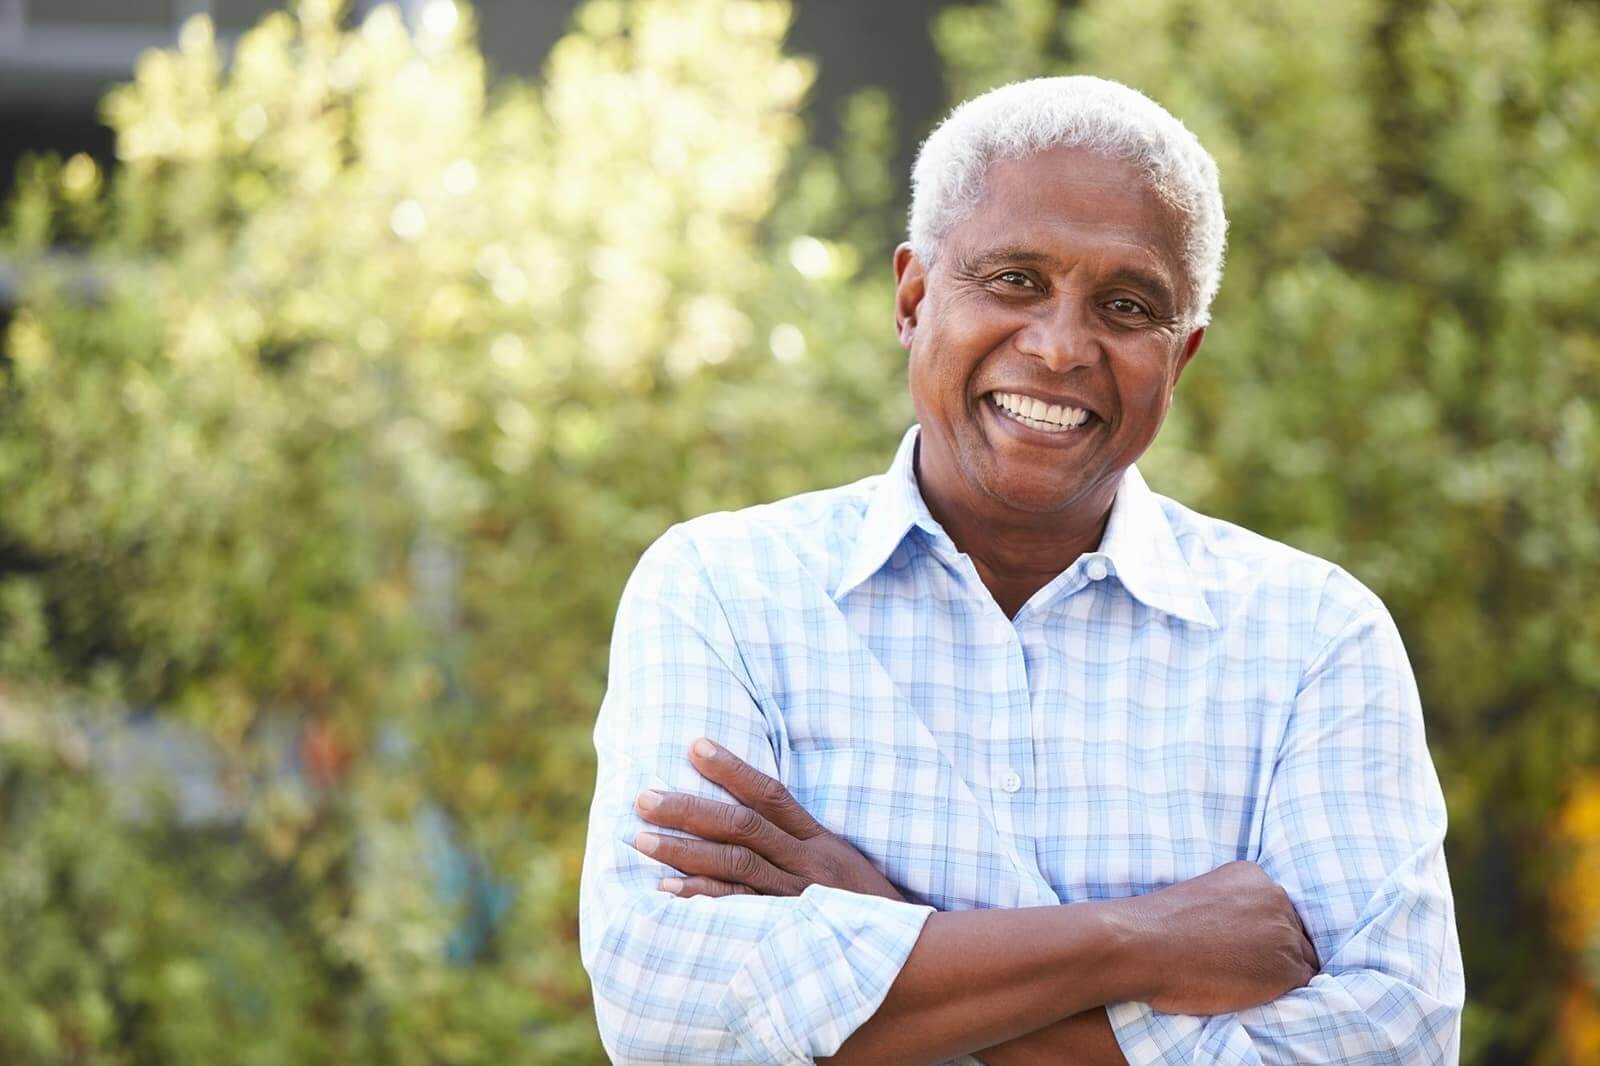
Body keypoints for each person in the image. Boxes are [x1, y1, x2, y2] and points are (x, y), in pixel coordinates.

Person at [579, 75, 1464, 1064]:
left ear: (1181, 358)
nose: (1058, 345)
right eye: (1013, 281)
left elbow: (1390, 1043)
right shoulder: (724, 592)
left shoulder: (1314, 638)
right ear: (913, 298)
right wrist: (1143, 939)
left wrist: (875, 928)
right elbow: (668, 1012)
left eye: (1126, 306)